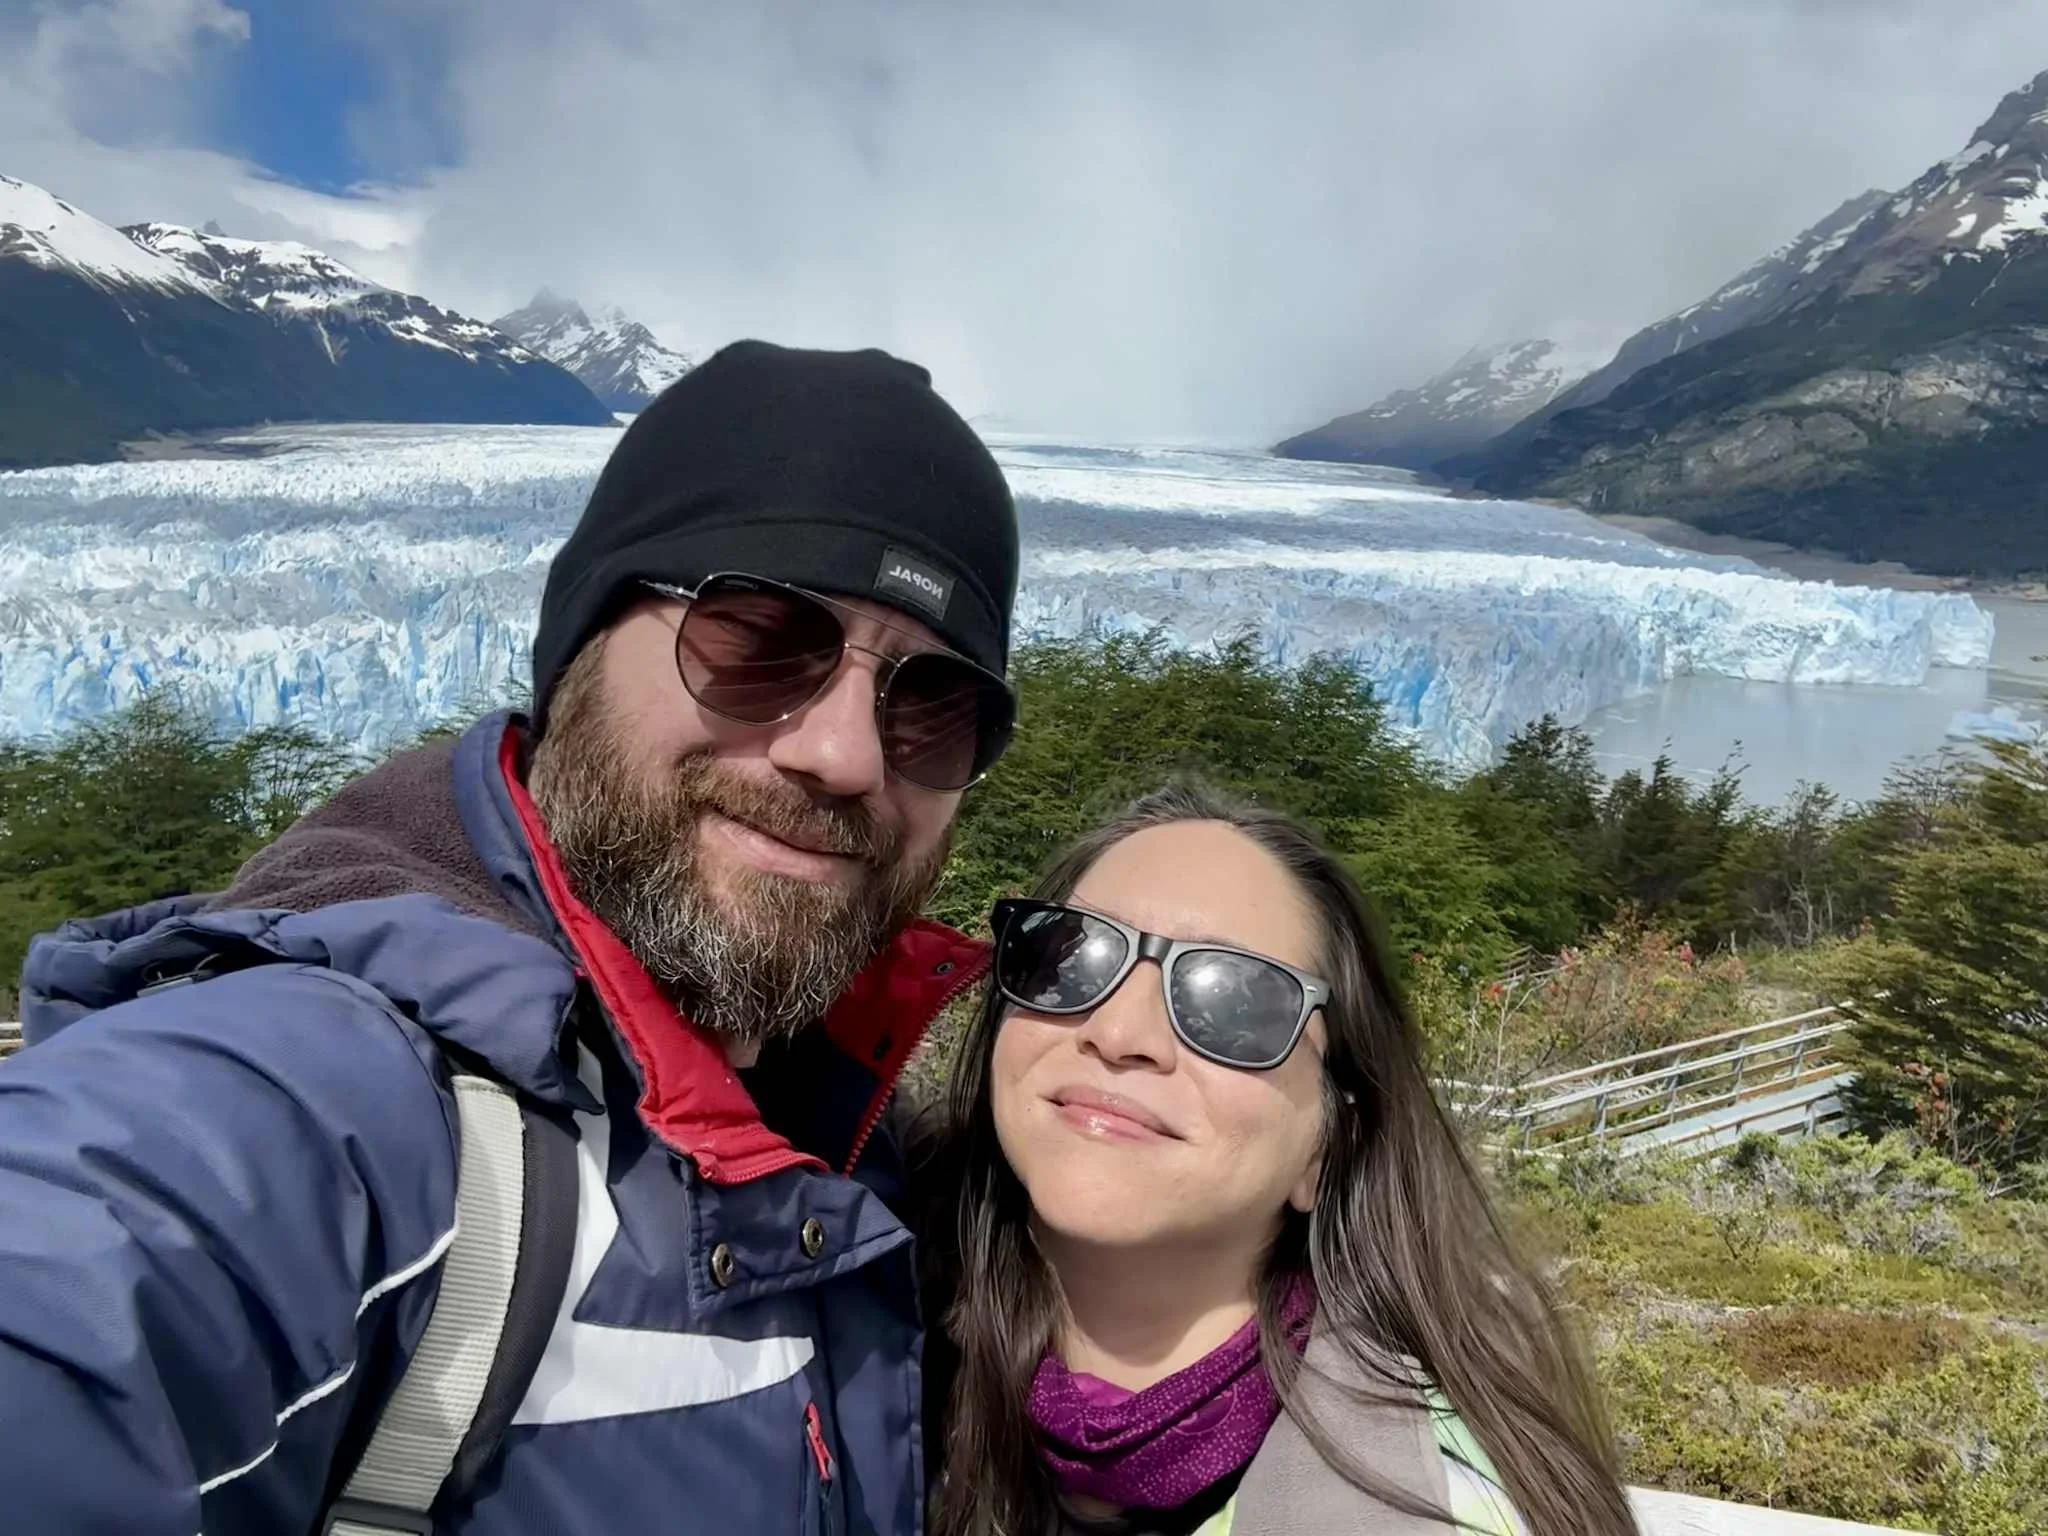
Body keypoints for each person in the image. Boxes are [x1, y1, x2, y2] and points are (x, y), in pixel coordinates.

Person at [0, 341, 1019, 1535]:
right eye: (758, 641)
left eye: (936, 705)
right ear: (577, 654)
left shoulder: (848, 1123)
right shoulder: (333, 1096)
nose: (842, 754)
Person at [916, 784, 1638, 1536]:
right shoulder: (850, 1322)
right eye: (1070, 954)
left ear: (1328, 1145)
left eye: (1235, 1002)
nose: (1119, 1030)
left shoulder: (1433, 1510)